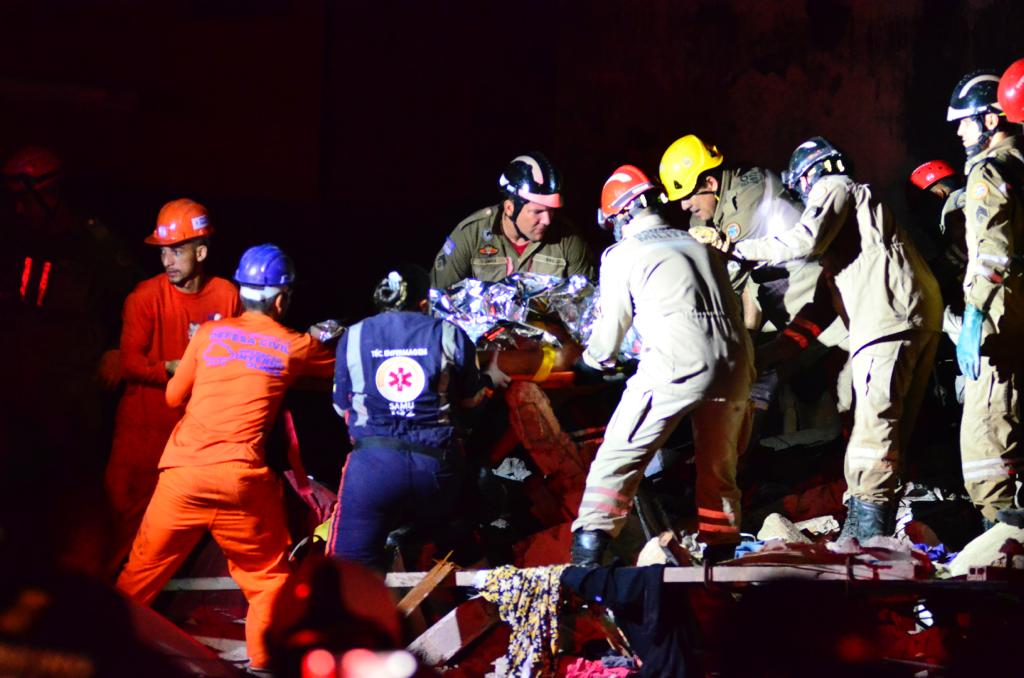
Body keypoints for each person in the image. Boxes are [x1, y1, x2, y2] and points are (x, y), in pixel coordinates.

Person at [116, 244, 335, 673]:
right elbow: (336, 367)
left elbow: (174, 396)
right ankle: (265, 664)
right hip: (241, 482)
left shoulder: (210, 335)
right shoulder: (294, 344)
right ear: (279, 299)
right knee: (267, 580)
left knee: (138, 577)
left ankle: (87, 653)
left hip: (183, 476)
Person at [731, 137, 943, 541]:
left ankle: (864, 539)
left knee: (872, 433)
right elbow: (819, 313)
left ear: (809, 177)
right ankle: (865, 527)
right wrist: (769, 355)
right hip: (911, 317)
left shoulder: (834, 186)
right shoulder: (852, 238)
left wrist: (735, 248)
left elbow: (804, 241)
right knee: (890, 434)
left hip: (887, 322)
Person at [570, 165, 754, 566]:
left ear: (620, 216)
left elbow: (609, 335)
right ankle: (720, 558)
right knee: (718, 468)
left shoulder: (623, 254)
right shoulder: (698, 245)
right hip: (736, 365)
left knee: (619, 453)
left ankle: (588, 553)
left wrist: (589, 363)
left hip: (677, 363)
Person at [327, 266, 509, 568]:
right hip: (436, 469)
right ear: (424, 304)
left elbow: (339, 406)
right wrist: (489, 379)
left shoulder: (354, 336)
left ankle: (367, 595)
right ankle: (461, 568)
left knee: (346, 570)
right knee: (466, 530)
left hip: (373, 470)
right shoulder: (448, 333)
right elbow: (470, 400)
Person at [104, 198, 243, 574]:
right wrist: (171, 367)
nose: (167, 260)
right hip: (140, 434)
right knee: (118, 530)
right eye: (163, 251)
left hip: (194, 439)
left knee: (174, 539)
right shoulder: (144, 297)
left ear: (200, 251)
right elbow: (130, 362)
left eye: (177, 250)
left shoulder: (227, 296)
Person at [0, 146, 139, 467]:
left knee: (70, 470)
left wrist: (118, 349)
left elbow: (134, 298)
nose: (20, 210)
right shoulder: (18, 240)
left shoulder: (94, 243)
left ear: (50, 196)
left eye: (26, 200)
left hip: (73, 385)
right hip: (23, 378)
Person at [946, 69, 1024, 528]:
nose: (959, 132)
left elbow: (992, 254)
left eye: (966, 121)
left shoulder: (990, 172)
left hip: (1000, 321)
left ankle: (1002, 555)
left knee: (985, 445)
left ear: (992, 120)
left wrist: (975, 313)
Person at [659, 134, 821, 333]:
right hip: (781, 298)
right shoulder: (719, 196)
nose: (684, 206)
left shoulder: (746, 206)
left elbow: (727, 282)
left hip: (813, 298)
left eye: (688, 196)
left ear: (710, 183)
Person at [429, 152, 593, 289]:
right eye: (537, 211)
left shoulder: (569, 240)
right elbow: (437, 298)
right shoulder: (470, 235)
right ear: (509, 208)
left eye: (551, 211)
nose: (547, 220)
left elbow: (586, 304)